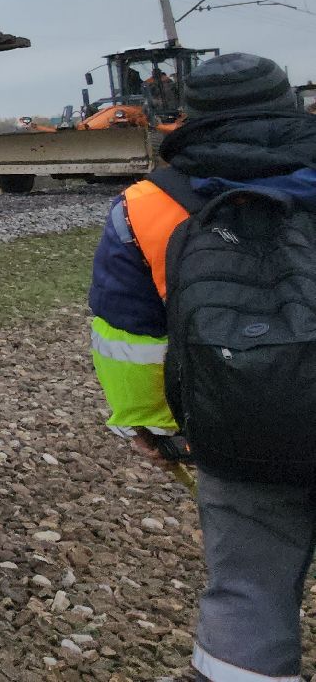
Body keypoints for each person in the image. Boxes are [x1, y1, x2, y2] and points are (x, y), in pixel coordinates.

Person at [87, 53, 316, 682]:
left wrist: (155, 426)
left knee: (249, 588)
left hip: (240, 421)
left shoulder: (147, 204)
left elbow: (126, 333)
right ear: (291, 102)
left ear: (186, 114)